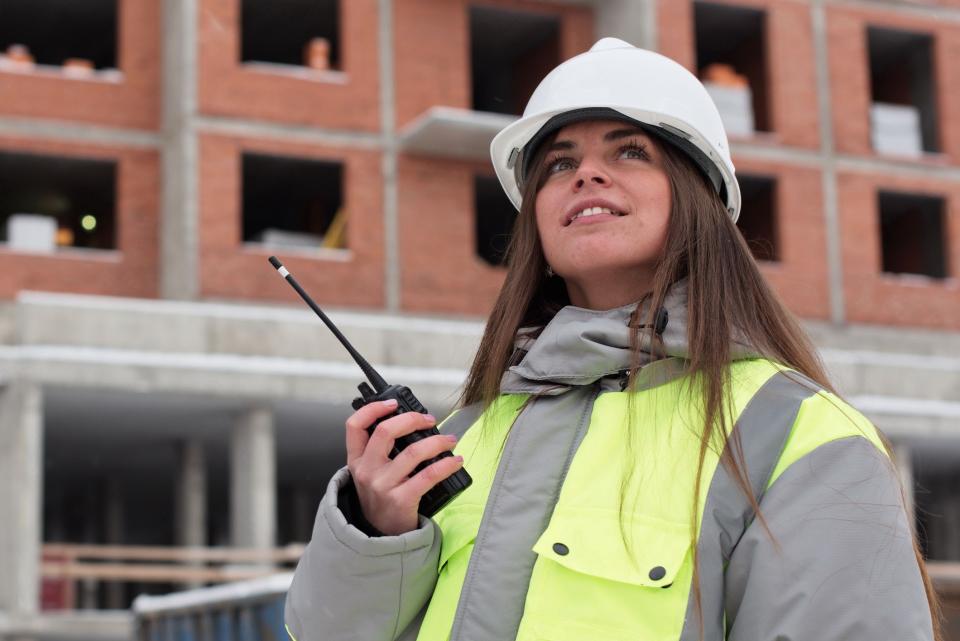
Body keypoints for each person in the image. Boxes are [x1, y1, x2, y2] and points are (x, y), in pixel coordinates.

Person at [284, 38, 941, 641]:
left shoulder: (801, 438)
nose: (586, 175)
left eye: (629, 151)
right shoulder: (468, 432)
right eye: (559, 162)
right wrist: (378, 531)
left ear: (697, 197)